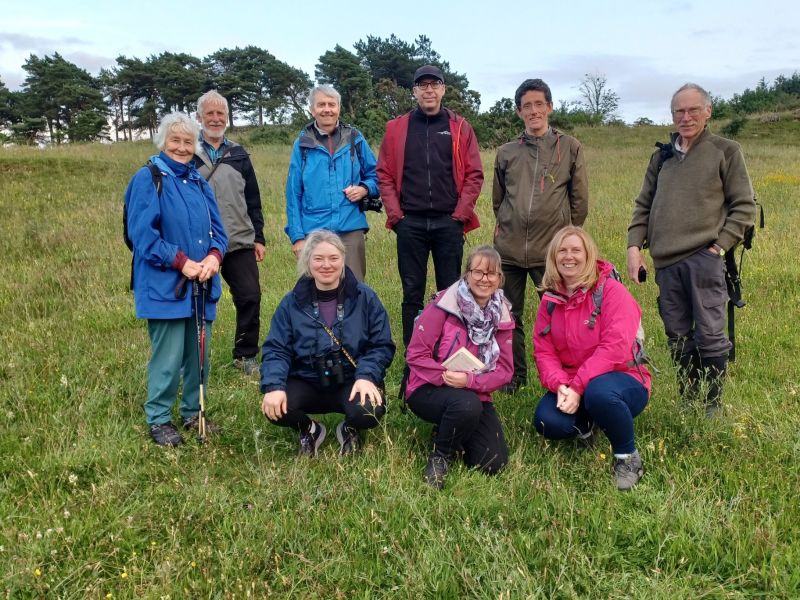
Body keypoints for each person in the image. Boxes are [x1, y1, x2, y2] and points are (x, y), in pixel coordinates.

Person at [627, 83, 756, 416]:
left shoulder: (725, 150)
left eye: (693, 110)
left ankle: (711, 403)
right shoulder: (662, 156)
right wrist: (634, 247)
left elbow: (744, 206)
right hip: (666, 262)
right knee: (678, 334)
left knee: (711, 333)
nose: (686, 117)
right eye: (679, 111)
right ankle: (688, 397)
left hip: (704, 258)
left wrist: (720, 247)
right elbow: (644, 204)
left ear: (707, 111)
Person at [124, 112, 228, 447]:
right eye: (175, 141)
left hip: (202, 283)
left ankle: (192, 412)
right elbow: (142, 235)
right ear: (163, 142)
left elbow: (219, 232)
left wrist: (214, 257)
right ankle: (158, 419)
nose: (182, 148)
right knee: (167, 357)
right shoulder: (149, 178)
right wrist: (181, 261)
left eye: (188, 142)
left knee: (199, 356)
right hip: (165, 286)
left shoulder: (199, 181)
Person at [532, 227, 651, 491]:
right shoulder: (551, 299)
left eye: (576, 250)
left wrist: (578, 386)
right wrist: (560, 385)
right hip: (573, 382)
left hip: (623, 379)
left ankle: (627, 457)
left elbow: (615, 348)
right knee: (545, 421)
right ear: (553, 257)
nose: (569, 257)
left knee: (599, 393)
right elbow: (543, 350)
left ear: (588, 255)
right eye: (562, 250)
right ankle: (588, 424)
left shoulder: (611, 292)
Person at [260, 230, 395, 457]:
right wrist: (273, 386)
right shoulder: (291, 302)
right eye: (318, 259)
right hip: (306, 379)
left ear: (343, 259)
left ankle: (350, 428)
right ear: (307, 261)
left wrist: (366, 376)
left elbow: (381, 344)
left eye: (333, 258)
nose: (326, 265)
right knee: (276, 407)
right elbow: (277, 348)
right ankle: (309, 429)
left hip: (351, 380)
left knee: (368, 411)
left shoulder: (365, 297)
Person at [377, 64, 484, 347]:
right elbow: (384, 174)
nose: (428, 90)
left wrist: (460, 215)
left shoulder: (460, 127)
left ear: (443, 89)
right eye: (422, 85)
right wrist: (396, 216)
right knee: (412, 292)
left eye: (434, 84)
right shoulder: (396, 128)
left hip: (448, 223)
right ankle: (415, 356)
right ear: (414, 91)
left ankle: (448, 349)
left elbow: (475, 174)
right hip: (409, 223)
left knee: (449, 292)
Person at [493, 78, 589, 393]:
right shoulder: (507, 152)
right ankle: (513, 377)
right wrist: (509, 225)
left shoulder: (569, 147)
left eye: (539, 104)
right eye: (526, 106)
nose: (533, 111)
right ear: (519, 112)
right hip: (508, 251)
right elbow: (498, 200)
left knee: (560, 319)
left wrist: (564, 242)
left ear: (549, 106)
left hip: (551, 254)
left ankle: (563, 378)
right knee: (508, 316)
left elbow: (579, 202)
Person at [405, 245, 514, 490]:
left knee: (492, 462)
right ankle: (441, 455)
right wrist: (445, 376)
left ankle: (450, 429)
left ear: (499, 279)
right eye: (478, 272)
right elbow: (415, 354)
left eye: (491, 274)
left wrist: (470, 382)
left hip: (475, 392)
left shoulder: (503, 314)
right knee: (466, 404)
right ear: (466, 274)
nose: (484, 279)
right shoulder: (443, 304)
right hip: (428, 387)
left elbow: (505, 370)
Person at [195, 90, 265, 377]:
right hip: (199, 241)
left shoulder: (238, 154)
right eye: (209, 113)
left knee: (250, 296)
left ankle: (245, 356)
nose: (215, 118)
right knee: (196, 301)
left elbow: (253, 198)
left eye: (220, 113)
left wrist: (258, 237)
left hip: (238, 239)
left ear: (227, 118)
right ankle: (195, 358)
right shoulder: (187, 152)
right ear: (199, 117)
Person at [284, 84, 380, 281]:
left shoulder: (355, 138)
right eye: (321, 105)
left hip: (350, 227)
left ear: (339, 108)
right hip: (314, 230)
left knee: (354, 288)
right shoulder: (302, 144)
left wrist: (364, 189)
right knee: (315, 290)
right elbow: (293, 193)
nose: (326, 109)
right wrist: (297, 237)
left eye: (331, 104)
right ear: (312, 109)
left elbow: (378, 176)